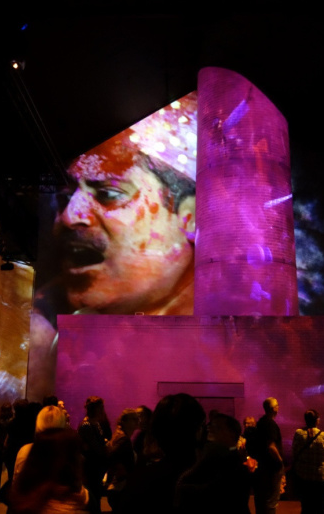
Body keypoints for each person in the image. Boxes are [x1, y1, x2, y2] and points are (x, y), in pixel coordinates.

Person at [28, 131, 197, 400]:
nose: (70, 217)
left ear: (190, 217)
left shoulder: (232, 336)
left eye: (108, 193)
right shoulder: (51, 329)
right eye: (64, 199)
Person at [291, 409, 324, 514]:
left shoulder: (299, 434)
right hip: (321, 476)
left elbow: (294, 452)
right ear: (317, 420)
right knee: (322, 506)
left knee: (306, 505)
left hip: (304, 475)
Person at [252, 397, 284, 514]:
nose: (278, 406)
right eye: (277, 405)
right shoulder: (270, 424)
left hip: (262, 467)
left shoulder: (261, 422)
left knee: (261, 498)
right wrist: (280, 462)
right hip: (272, 467)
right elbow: (271, 446)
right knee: (272, 500)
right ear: (273, 408)